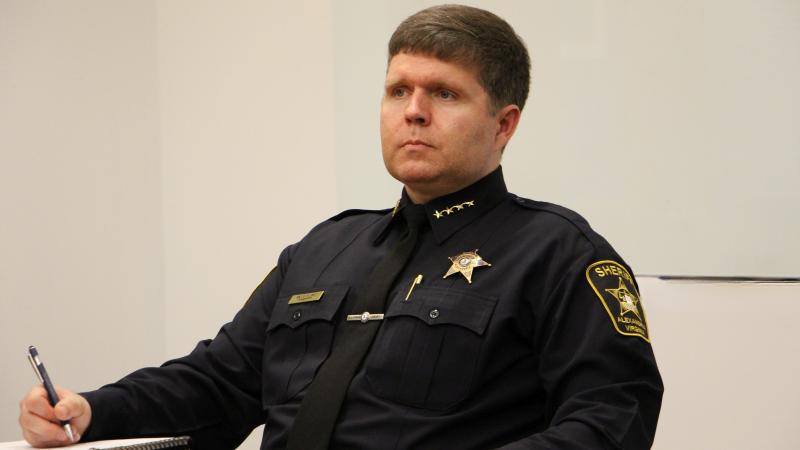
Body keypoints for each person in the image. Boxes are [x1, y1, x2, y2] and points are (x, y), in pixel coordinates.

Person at [19, 5, 663, 449]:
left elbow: (611, 417)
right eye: (398, 90)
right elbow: (219, 382)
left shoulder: (560, 255)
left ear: (505, 124)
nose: (413, 112)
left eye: (444, 93)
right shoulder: (324, 249)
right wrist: (93, 410)